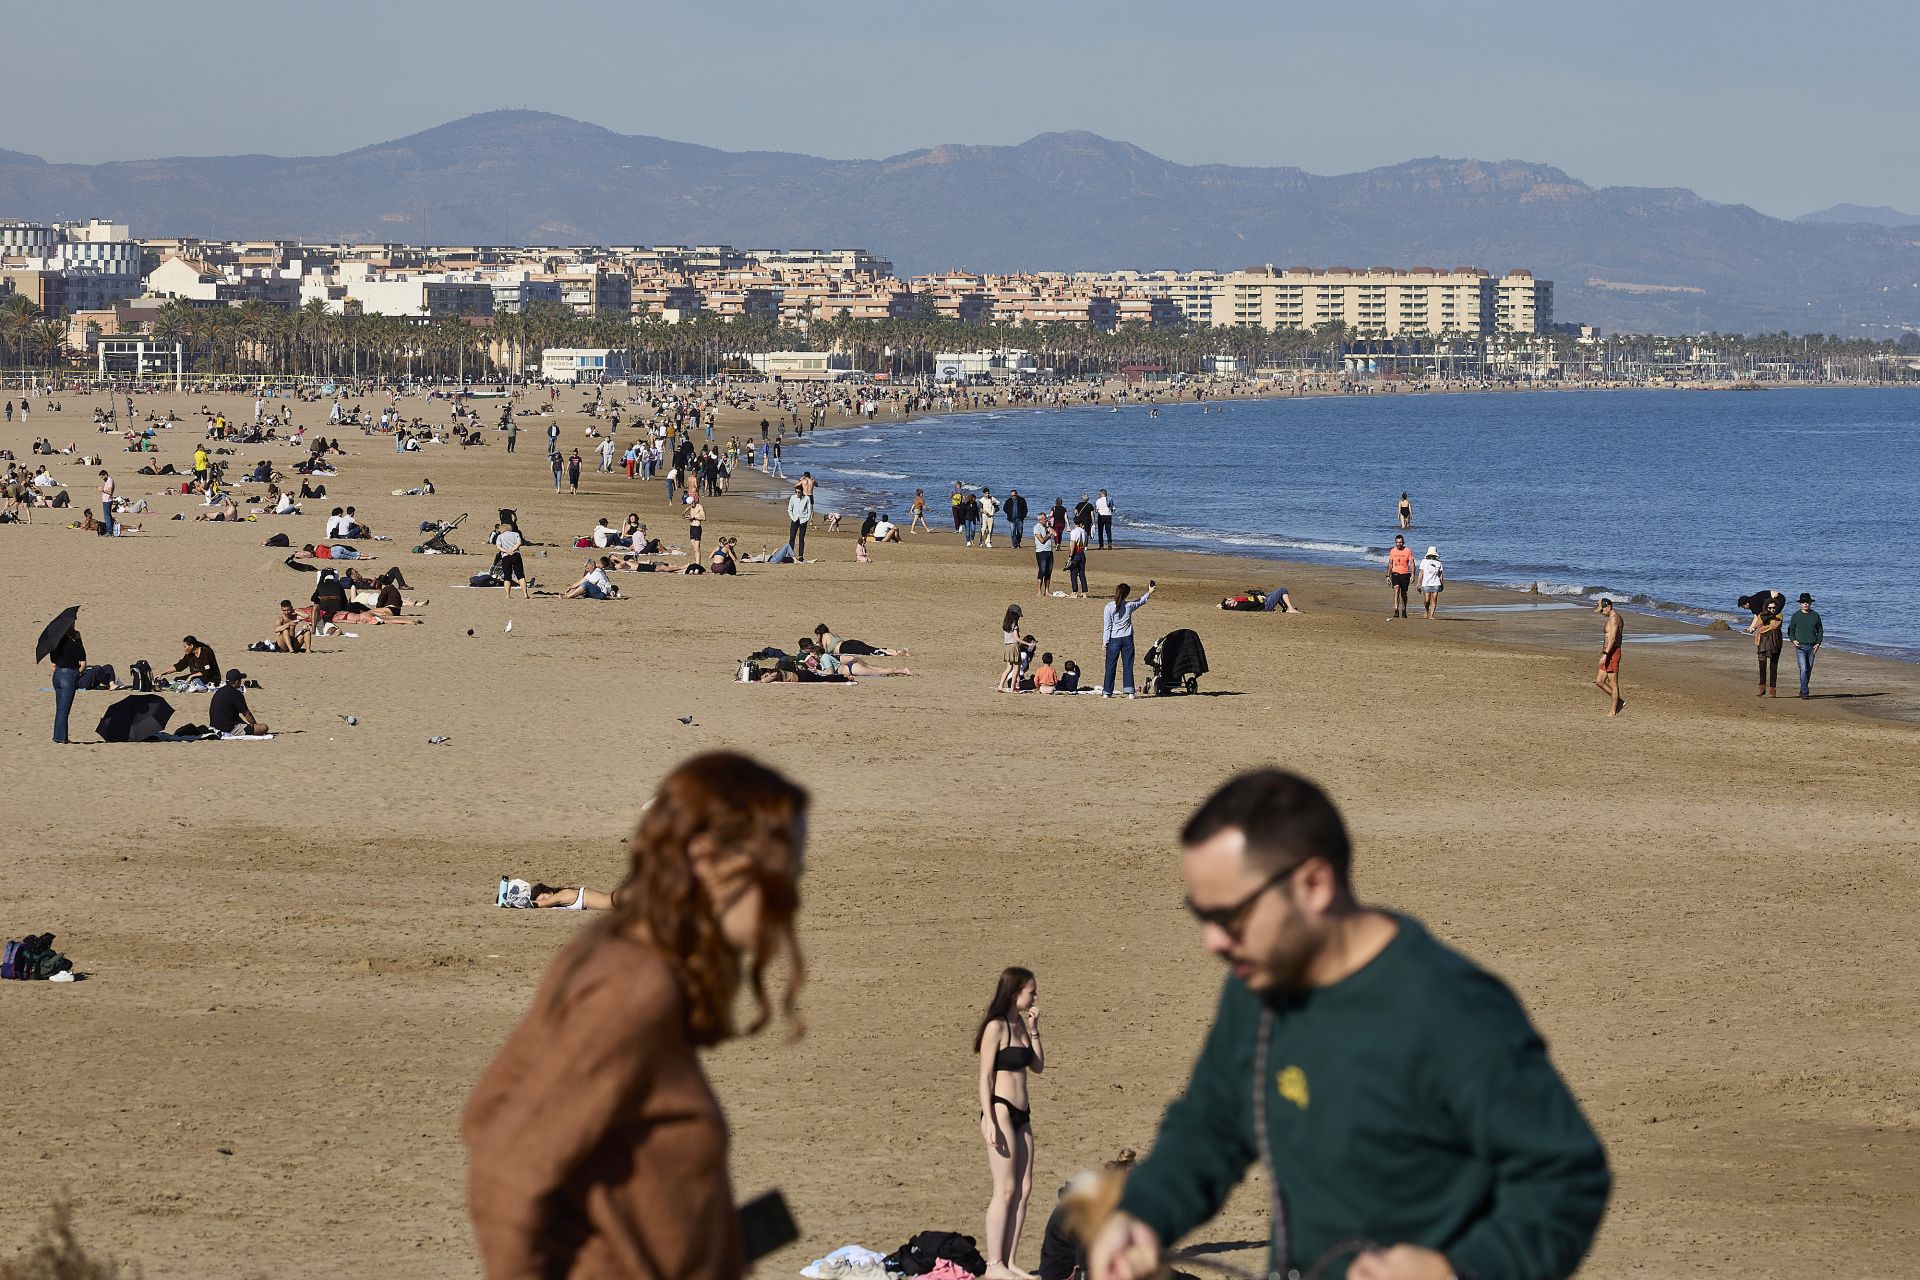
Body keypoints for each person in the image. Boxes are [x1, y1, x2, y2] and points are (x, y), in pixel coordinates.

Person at [1086, 770, 1611, 1280]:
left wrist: (1457, 1270)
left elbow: (1567, 1176)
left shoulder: (1452, 1008)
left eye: (1229, 917)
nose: (1213, 943)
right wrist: (1142, 1214)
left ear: (1314, 884)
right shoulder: (1259, 985)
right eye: (1200, 916)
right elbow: (1210, 1125)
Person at [466, 754, 805, 1275]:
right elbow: (507, 1164)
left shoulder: (641, 969)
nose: (789, 895)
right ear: (707, 859)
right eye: (779, 871)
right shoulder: (633, 988)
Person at [976, 966, 1045, 1280]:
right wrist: (988, 1119)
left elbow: (1038, 1066)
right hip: (1001, 1111)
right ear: (1015, 991)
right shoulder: (997, 1027)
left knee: (1024, 1189)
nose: (1035, 995)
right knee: (1004, 1189)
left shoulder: (1019, 1024)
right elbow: (985, 1077)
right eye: (1031, 990)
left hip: (1023, 1114)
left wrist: (1034, 1029)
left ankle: (1011, 1261)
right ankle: (994, 1265)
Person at [1099, 582, 1155, 699]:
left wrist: (1105, 641)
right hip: (1127, 639)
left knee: (1110, 666)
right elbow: (1140, 601)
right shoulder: (1129, 606)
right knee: (1128, 665)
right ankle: (1130, 691)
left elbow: (1107, 626)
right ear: (1126, 595)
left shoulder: (1109, 607)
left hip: (1114, 639)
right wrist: (1149, 592)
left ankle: (1107, 692)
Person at [48, 618, 86, 744]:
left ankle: (58, 736)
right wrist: (79, 640)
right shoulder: (72, 643)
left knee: (60, 709)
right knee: (64, 710)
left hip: (57, 675)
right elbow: (83, 660)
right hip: (68, 676)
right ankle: (60, 737)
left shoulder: (55, 643)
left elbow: (52, 662)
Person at [210, 669, 269, 736]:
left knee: (237, 719)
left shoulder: (219, 691)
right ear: (237, 682)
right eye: (240, 680)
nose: (241, 682)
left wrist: (246, 725)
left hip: (214, 727)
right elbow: (247, 714)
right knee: (264, 727)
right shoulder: (236, 694)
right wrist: (254, 725)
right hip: (228, 729)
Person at [1786, 592, 1823, 699]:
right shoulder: (1796, 616)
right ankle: (1805, 692)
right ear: (1800, 604)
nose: (1805, 604)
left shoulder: (1815, 615)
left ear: (1810, 603)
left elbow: (1820, 630)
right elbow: (1790, 630)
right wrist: (1793, 640)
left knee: (1809, 669)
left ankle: (1802, 689)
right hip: (1800, 647)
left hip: (1812, 646)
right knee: (1803, 669)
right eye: (1803, 602)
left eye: (1807, 602)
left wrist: (1818, 643)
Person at [1593, 597, 1624, 717]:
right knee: (1599, 681)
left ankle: (1613, 710)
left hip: (1612, 653)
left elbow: (1612, 638)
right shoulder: (1611, 618)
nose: (1601, 612)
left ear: (1609, 606)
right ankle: (1619, 701)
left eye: (1602, 610)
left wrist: (1606, 655)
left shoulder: (1614, 619)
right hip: (1607, 651)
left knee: (1613, 683)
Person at [814, 624, 907, 657]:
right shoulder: (833, 633)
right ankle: (897, 651)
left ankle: (895, 654)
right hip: (849, 642)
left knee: (871, 652)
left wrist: (818, 643)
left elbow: (825, 652)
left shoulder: (825, 636)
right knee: (872, 648)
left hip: (846, 648)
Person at [1753, 600, 1784, 698]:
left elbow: (1775, 625)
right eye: (1770, 608)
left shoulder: (1779, 615)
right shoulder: (1761, 615)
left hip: (1776, 642)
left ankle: (1772, 690)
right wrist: (1765, 627)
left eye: (1774, 608)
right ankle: (1762, 689)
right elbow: (1759, 628)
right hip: (1762, 642)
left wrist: (1765, 627)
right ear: (1766, 607)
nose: (1772, 610)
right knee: (1762, 666)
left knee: (1773, 667)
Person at [494, 521, 529, 598]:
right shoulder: (516, 534)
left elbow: (499, 547)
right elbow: (519, 543)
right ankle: (525, 594)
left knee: (507, 576)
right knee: (520, 575)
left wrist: (507, 551)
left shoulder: (500, 537)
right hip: (516, 555)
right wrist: (513, 550)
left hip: (506, 556)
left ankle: (507, 595)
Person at [998, 605, 1025, 693]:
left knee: (1009, 667)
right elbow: (1016, 638)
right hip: (1014, 646)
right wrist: (1027, 643)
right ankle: (1013, 688)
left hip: (1007, 646)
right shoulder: (1014, 624)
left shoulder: (1006, 623)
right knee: (1016, 667)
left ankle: (1001, 685)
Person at [1386, 535, 1413, 619]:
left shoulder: (1408, 550)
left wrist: (1413, 575)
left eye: (1400, 542)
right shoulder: (1393, 551)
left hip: (1405, 574)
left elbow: (1412, 563)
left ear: (1403, 542)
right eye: (1397, 542)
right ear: (1395, 543)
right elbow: (1390, 563)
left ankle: (1404, 610)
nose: (1399, 544)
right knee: (1396, 590)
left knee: (1404, 593)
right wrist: (1388, 575)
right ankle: (1396, 610)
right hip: (1395, 573)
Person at [787, 483, 812, 560]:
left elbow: (809, 509)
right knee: (792, 538)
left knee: (801, 538)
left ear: (802, 492)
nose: (797, 494)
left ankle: (801, 556)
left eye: (799, 492)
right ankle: (790, 555)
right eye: (796, 492)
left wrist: (807, 519)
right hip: (795, 519)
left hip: (803, 520)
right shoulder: (793, 498)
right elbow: (789, 509)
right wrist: (792, 517)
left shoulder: (807, 498)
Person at [1417, 546, 1444, 619]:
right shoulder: (1424, 561)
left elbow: (1440, 574)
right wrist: (1419, 583)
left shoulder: (1438, 563)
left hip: (1436, 583)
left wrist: (1441, 583)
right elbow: (1421, 573)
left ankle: (1431, 615)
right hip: (1426, 583)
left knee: (1434, 599)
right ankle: (1426, 610)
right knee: (1427, 600)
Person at [1034, 518, 1057, 599]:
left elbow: (1055, 534)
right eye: (1045, 519)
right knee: (1042, 570)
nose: (1046, 520)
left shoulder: (1047, 527)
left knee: (1049, 571)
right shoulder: (1037, 527)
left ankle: (1047, 591)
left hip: (1049, 551)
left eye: (1047, 519)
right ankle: (1039, 591)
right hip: (1041, 552)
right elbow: (1042, 540)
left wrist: (1049, 526)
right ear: (1040, 520)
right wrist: (1048, 534)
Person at [1066, 523, 1089, 599]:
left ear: (1074, 523)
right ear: (1081, 524)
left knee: (1073, 573)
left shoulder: (1074, 531)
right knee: (1082, 573)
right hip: (1082, 553)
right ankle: (1084, 592)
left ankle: (1074, 592)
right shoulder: (1084, 532)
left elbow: (1072, 544)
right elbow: (1085, 544)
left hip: (1076, 554)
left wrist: (1070, 555)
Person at [685, 495, 706, 566]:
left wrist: (694, 517)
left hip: (697, 528)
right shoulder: (690, 508)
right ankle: (697, 563)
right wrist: (689, 518)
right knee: (694, 549)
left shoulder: (699, 506)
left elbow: (703, 518)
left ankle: (698, 565)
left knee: (697, 549)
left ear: (694, 501)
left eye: (691, 504)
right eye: (689, 504)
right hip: (692, 528)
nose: (691, 505)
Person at [98, 469, 115, 537]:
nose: (102, 479)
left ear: (105, 475)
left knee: (107, 517)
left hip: (107, 501)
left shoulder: (110, 480)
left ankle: (109, 532)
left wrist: (103, 490)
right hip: (106, 500)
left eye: (102, 477)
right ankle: (110, 530)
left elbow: (110, 491)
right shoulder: (108, 481)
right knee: (108, 516)